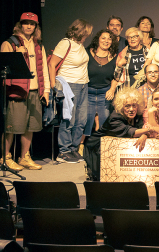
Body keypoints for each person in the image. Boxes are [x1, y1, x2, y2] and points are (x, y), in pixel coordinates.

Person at [2, 12, 50, 171]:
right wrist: (17, 55)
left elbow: (43, 69)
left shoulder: (38, 45)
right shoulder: (10, 43)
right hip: (18, 90)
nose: (29, 26)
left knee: (31, 126)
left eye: (32, 24)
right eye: (26, 23)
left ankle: (24, 157)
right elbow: (4, 69)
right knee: (12, 126)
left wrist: (46, 90)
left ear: (36, 27)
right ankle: (5, 157)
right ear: (20, 25)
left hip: (35, 91)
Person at [82, 87, 157, 181]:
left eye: (134, 106)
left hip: (116, 148)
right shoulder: (115, 117)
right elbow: (131, 132)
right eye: (127, 106)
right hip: (98, 148)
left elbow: (142, 129)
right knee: (102, 179)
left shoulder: (137, 116)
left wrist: (144, 135)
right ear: (121, 107)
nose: (131, 109)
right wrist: (150, 129)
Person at [50, 19, 92, 164]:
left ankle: (74, 148)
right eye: (86, 33)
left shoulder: (80, 45)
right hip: (69, 85)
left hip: (83, 85)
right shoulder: (65, 43)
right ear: (80, 31)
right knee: (69, 119)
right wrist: (53, 86)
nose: (87, 36)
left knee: (81, 120)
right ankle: (64, 151)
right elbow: (52, 64)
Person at [84, 29, 120, 141]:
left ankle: (100, 146)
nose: (106, 41)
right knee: (85, 121)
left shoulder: (115, 57)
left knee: (103, 122)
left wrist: (112, 89)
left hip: (104, 93)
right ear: (98, 39)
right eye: (103, 38)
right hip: (88, 92)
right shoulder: (87, 53)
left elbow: (116, 77)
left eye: (109, 39)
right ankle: (80, 146)